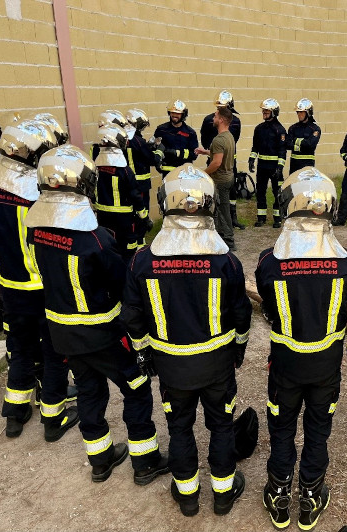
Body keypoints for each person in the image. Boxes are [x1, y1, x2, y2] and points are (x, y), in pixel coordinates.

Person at [26, 145, 168, 484]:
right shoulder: (97, 241)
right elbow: (122, 287)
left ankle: (100, 460)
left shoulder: (36, 230)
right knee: (135, 388)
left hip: (62, 334)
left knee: (90, 391)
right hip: (103, 333)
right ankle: (145, 461)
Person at [122, 164, 252, 517]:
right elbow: (242, 314)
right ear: (210, 205)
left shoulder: (142, 260)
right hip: (217, 364)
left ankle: (188, 497)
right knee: (221, 425)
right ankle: (224, 494)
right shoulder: (227, 261)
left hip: (171, 367)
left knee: (179, 428)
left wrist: (144, 351)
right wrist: (238, 348)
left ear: (165, 203)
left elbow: (132, 316)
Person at [256, 167, 347, 530]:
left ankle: (279, 495)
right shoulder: (345, 261)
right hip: (326, 368)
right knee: (318, 430)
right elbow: (343, 302)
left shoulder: (269, 261)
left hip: (285, 366)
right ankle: (311, 497)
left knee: (282, 430)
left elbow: (267, 308)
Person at [0, 118, 78, 441]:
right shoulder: (33, 198)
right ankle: (53, 416)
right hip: (41, 289)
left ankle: (15, 412)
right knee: (54, 351)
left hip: (9, 287)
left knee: (19, 349)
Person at [93, 123, 152, 262]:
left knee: (107, 246)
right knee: (128, 249)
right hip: (124, 218)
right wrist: (144, 218)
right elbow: (135, 196)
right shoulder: (124, 171)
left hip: (102, 216)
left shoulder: (96, 167)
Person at [200, 90, 245, 230]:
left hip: (228, 162)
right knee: (218, 193)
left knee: (230, 193)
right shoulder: (209, 120)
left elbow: (234, 140)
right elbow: (204, 138)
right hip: (217, 161)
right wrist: (210, 151)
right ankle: (222, 223)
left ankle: (232, 219)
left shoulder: (235, 122)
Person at [195, 106, 237, 251]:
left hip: (220, 180)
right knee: (221, 209)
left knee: (222, 210)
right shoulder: (229, 136)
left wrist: (203, 174)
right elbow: (219, 154)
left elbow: (217, 162)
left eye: (215, 116)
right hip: (228, 177)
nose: (213, 119)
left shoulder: (219, 139)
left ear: (221, 120)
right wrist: (206, 151)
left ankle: (228, 240)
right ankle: (222, 237)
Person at [249, 98, 287, 228]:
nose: (264, 112)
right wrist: (251, 159)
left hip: (275, 167)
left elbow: (282, 151)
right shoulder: (259, 128)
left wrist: (280, 168)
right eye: (263, 110)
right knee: (260, 191)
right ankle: (261, 217)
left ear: (274, 112)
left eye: (267, 111)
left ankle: (277, 218)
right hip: (262, 166)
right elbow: (255, 147)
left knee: (277, 193)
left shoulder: (280, 130)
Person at [125, 109, 157, 248]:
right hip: (141, 185)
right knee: (142, 214)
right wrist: (158, 150)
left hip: (126, 184)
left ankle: (135, 243)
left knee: (131, 214)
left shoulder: (121, 138)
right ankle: (140, 244)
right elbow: (151, 159)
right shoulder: (138, 141)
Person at [153, 100, 199, 177]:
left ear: (183, 115)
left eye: (178, 113)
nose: (174, 115)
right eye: (172, 112)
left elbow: (194, 154)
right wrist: (157, 161)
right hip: (167, 172)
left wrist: (177, 153)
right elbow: (154, 147)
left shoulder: (190, 132)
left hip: (184, 173)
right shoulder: (161, 129)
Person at [286, 98, 322, 174]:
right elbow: (288, 144)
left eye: (301, 112)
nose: (299, 114)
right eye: (298, 112)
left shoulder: (315, 129)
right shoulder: (293, 128)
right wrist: (303, 143)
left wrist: (295, 140)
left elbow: (310, 144)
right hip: (294, 165)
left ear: (308, 113)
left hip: (308, 165)